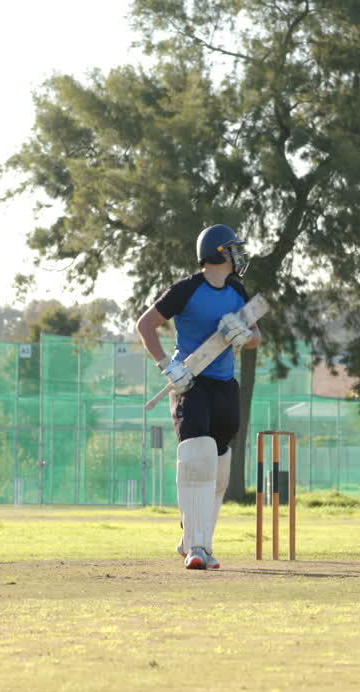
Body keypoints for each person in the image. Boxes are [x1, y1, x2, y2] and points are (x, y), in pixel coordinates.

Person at [136, 224, 261, 570]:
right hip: (190, 383)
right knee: (198, 456)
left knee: (219, 467)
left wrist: (243, 337)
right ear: (220, 252)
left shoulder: (237, 290)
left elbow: (256, 336)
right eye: (234, 248)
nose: (239, 254)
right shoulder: (186, 290)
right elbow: (145, 324)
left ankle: (196, 538)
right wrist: (166, 366)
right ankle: (198, 548)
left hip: (225, 385)